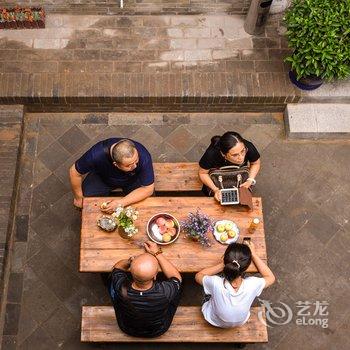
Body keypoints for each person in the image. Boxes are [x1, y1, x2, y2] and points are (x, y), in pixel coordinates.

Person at [108, 241, 182, 338]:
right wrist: (157, 253)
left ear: (130, 273)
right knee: (178, 291)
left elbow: (118, 267)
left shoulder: (120, 287)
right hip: (158, 330)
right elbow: (176, 278)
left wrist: (132, 261)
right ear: (155, 276)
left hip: (127, 328)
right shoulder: (164, 292)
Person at [195, 241, 275, 328]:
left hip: (214, 320)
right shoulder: (253, 284)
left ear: (225, 260)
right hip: (240, 322)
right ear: (246, 267)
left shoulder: (215, 282)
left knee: (208, 291)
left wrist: (224, 265)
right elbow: (271, 277)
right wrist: (254, 254)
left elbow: (198, 276)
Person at [69, 138, 154, 213]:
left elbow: (148, 189)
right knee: (86, 200)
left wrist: (120, 203)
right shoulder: (95, 155)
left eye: (136, 160)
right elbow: (74, 172)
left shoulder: (143, 155)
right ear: (116, 164)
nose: (135, 166)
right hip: (103, 177)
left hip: (132, 179)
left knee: (146, 204)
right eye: (128, 165)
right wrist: (78, 198)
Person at [198, 131, 261, 202]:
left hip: (239, 176)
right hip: (218, 177)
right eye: (235, 155)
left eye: (243, 151)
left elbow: (255, 163)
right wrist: (215, 190)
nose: (241, 157)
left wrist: (250, 180)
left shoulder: (248, 146)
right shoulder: (211, 154)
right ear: (223, 154)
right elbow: (202, 173)